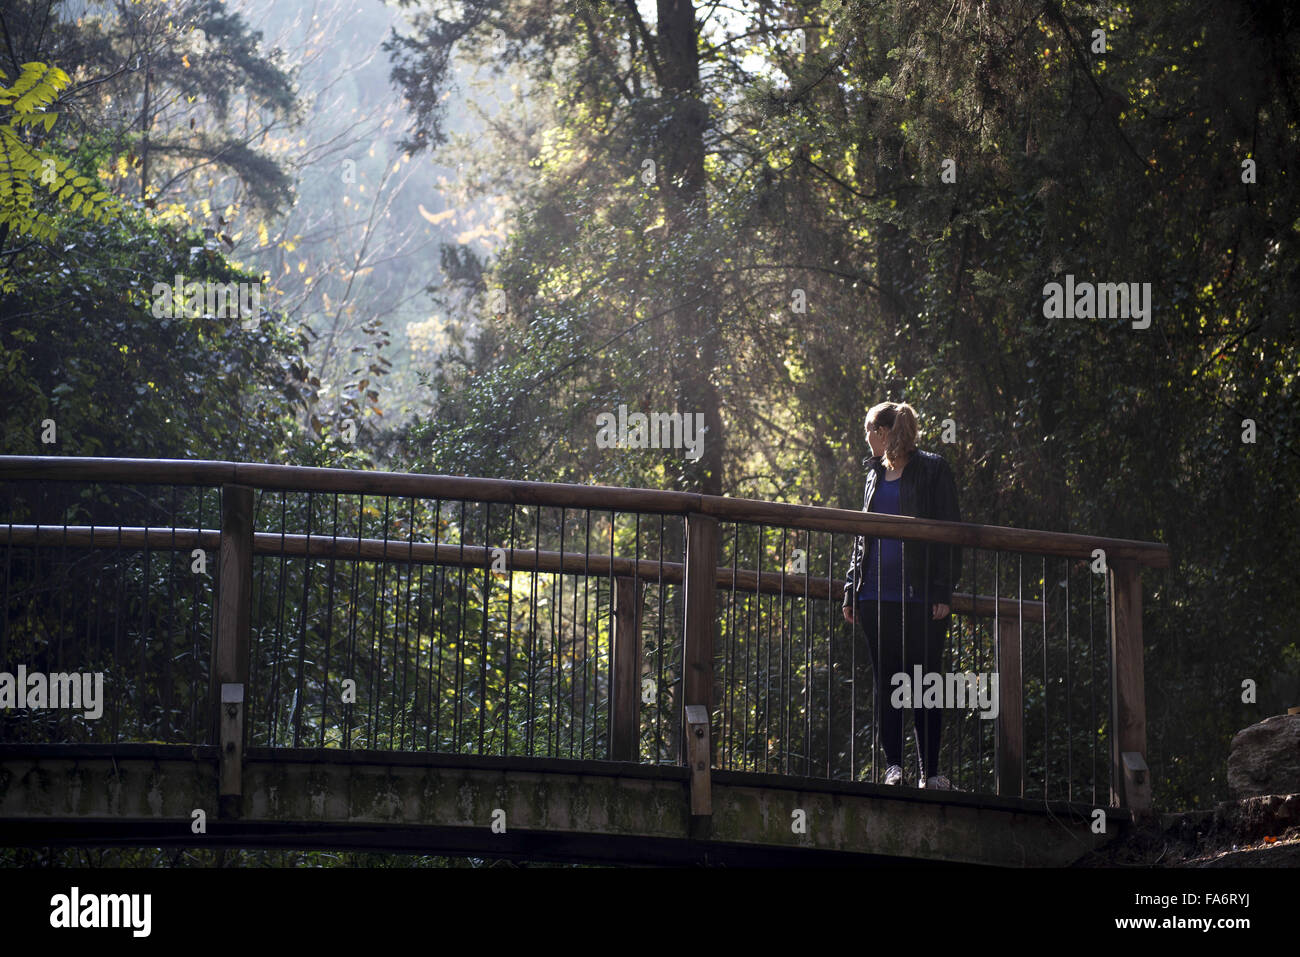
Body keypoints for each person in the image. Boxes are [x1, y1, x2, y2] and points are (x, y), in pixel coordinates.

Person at [842, 402, 962, 789]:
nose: (865, 438)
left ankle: (932, 772)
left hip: (921, 597)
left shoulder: (933, 469)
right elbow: (862, 537)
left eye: (868, 431)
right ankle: (894, 767)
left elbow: (950, 533)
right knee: (888, 681)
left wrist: (943, 590)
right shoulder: (873, 475)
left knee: (925, 681)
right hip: (876, 595)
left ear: (884, 432)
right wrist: (851, 588)